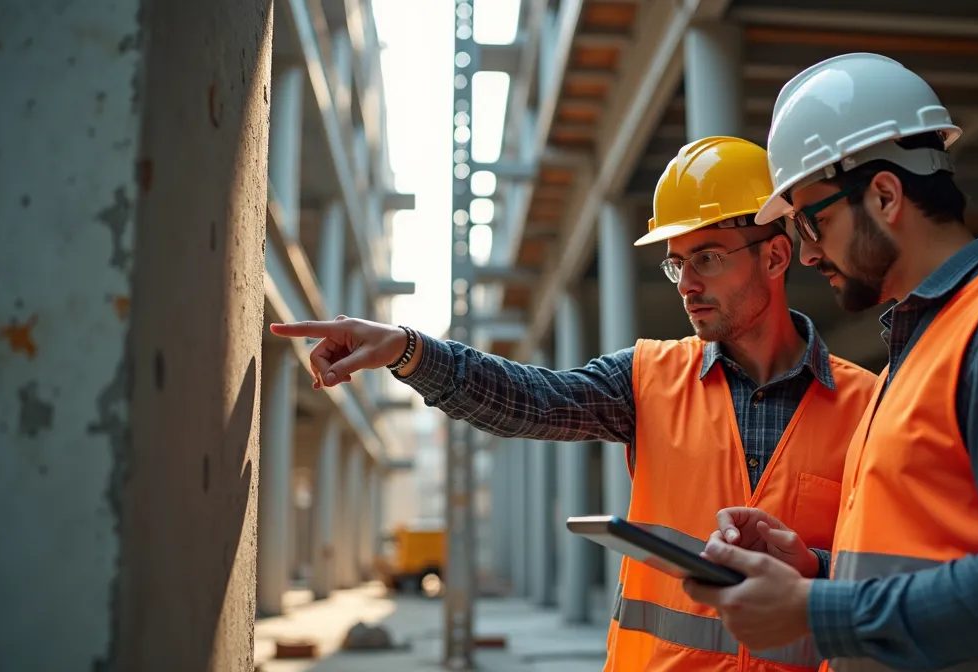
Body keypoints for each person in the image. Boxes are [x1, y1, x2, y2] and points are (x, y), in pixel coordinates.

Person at [269, 136, 879, 671]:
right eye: (677, 263)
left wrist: (814, 569)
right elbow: (530, 400)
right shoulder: (647, 378)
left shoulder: (871, 405)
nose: (688, 283)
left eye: (708, 257)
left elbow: (890, 574)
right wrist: (407, 350)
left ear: (774, 255)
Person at [680, 53, 978, 672]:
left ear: (885, 195)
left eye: (814, 222)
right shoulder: (914, 356)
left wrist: (815, 610)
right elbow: (931, 556)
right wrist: (816, 573)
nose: (808, 255)